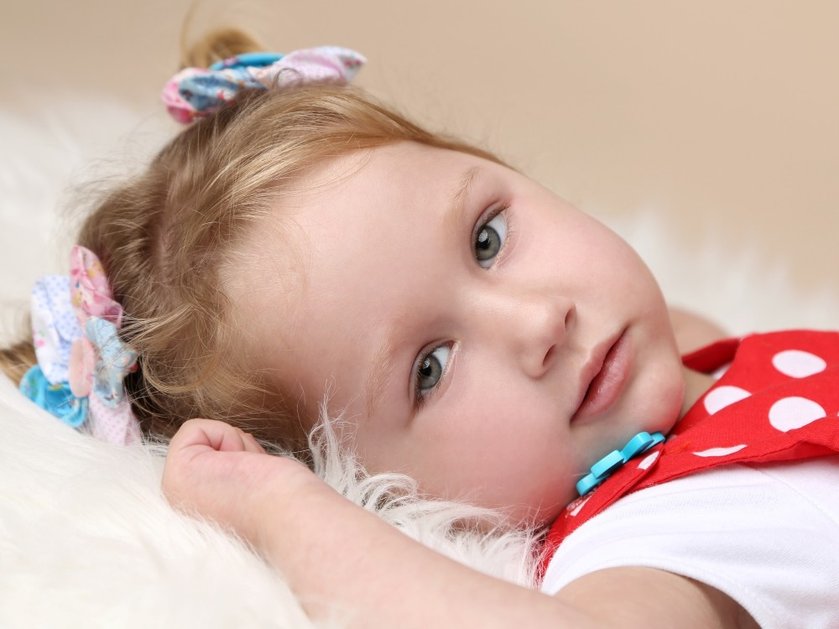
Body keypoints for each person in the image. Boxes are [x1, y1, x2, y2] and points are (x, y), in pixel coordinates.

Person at [4, 29, 838, 628]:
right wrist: (282, 510)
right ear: (381, 493)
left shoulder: (698, 358)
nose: (539, 322)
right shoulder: (654, 543)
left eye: (487, 239)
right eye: (430, 368)